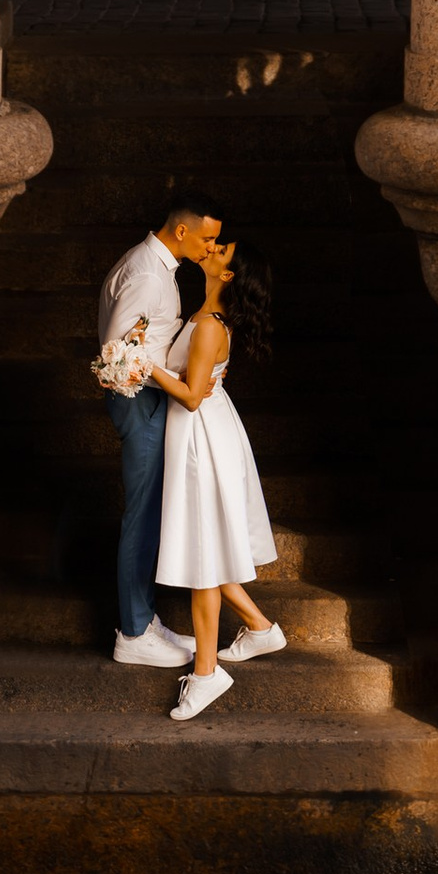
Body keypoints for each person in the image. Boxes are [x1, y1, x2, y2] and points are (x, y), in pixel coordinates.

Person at [149, 238, 285, 723]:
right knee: (207, 546)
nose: (213, 247)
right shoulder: (204, 316)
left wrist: (143, 364)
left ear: (227, 275)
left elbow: (190, 396)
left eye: (222, 250)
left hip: (202, 437)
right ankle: (259, 627)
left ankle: (206, 674)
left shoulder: (209, 325)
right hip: (203, 430)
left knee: (203, 557)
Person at [96, 196, 222, 667]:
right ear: (182, 231)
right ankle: (132, 633)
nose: (212, 248)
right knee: (144, 515)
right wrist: (182, 383)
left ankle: (144, 619)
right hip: (139, 401)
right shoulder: (148, 274)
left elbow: (145, 343)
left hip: (149, 397)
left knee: (150, 512)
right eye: (208, 238)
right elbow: (117, 354)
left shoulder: (155, 266)